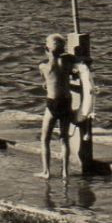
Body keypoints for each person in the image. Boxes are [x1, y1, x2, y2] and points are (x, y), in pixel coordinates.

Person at [38, 33, 75, 179]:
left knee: (45, 138)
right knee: (64, 138)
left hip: (52, 103)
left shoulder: (43, 66)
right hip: (66, 101)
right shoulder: (68, 62)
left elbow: (46, 82)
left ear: (46, 49)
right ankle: (65, 172)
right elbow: (80, 61)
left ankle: (46, 172)